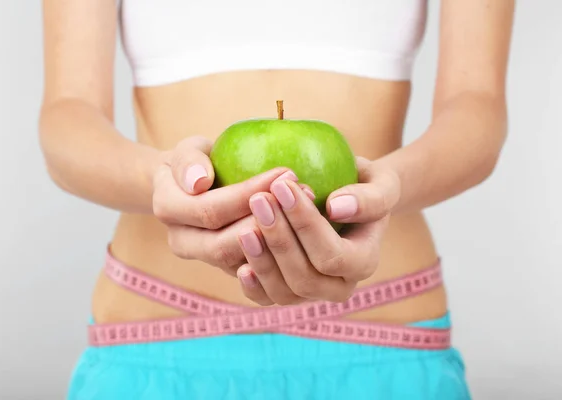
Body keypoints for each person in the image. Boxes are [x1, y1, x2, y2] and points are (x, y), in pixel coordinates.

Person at [38, 0, 515, 398]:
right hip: (150, 337)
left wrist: (387, 187)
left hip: (391, 342)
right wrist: (164, 180)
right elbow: (68, 116)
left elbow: (476, 106)